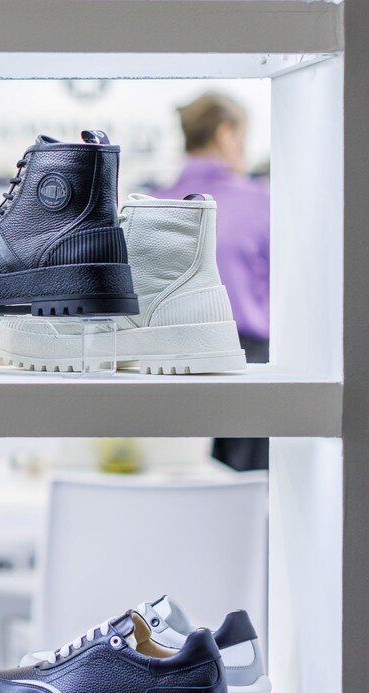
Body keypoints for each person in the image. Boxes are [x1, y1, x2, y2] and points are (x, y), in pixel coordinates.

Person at [158, 92, 270, 471]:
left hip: (164, 365)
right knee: (251, 493)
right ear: (226, 134)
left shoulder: (151, 204)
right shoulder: (260, 203)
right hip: (247, 369)